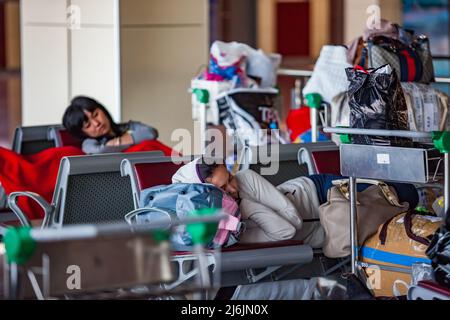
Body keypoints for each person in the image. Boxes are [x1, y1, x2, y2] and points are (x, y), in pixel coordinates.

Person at [172, 157, 419, 247]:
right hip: (327, 230)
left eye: (229, 179)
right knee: (390, 217)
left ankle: (430, 201)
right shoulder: (230, 230)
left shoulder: (245, 178)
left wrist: (244, 204)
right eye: (223, 189)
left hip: (317, 191)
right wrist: (243, 209)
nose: (233, 188)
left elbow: (293, 217)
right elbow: (287, 231)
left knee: (399, 192)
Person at [62, 96, 159, 154]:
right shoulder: (89, 144)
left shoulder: (127, 127)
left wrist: (115, 143)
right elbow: (100, 151)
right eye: (88, 125)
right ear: (82, 133)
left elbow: (150, 133)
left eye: (96, 115)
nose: (97, 123)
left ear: (102, 110)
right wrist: (129, 138)